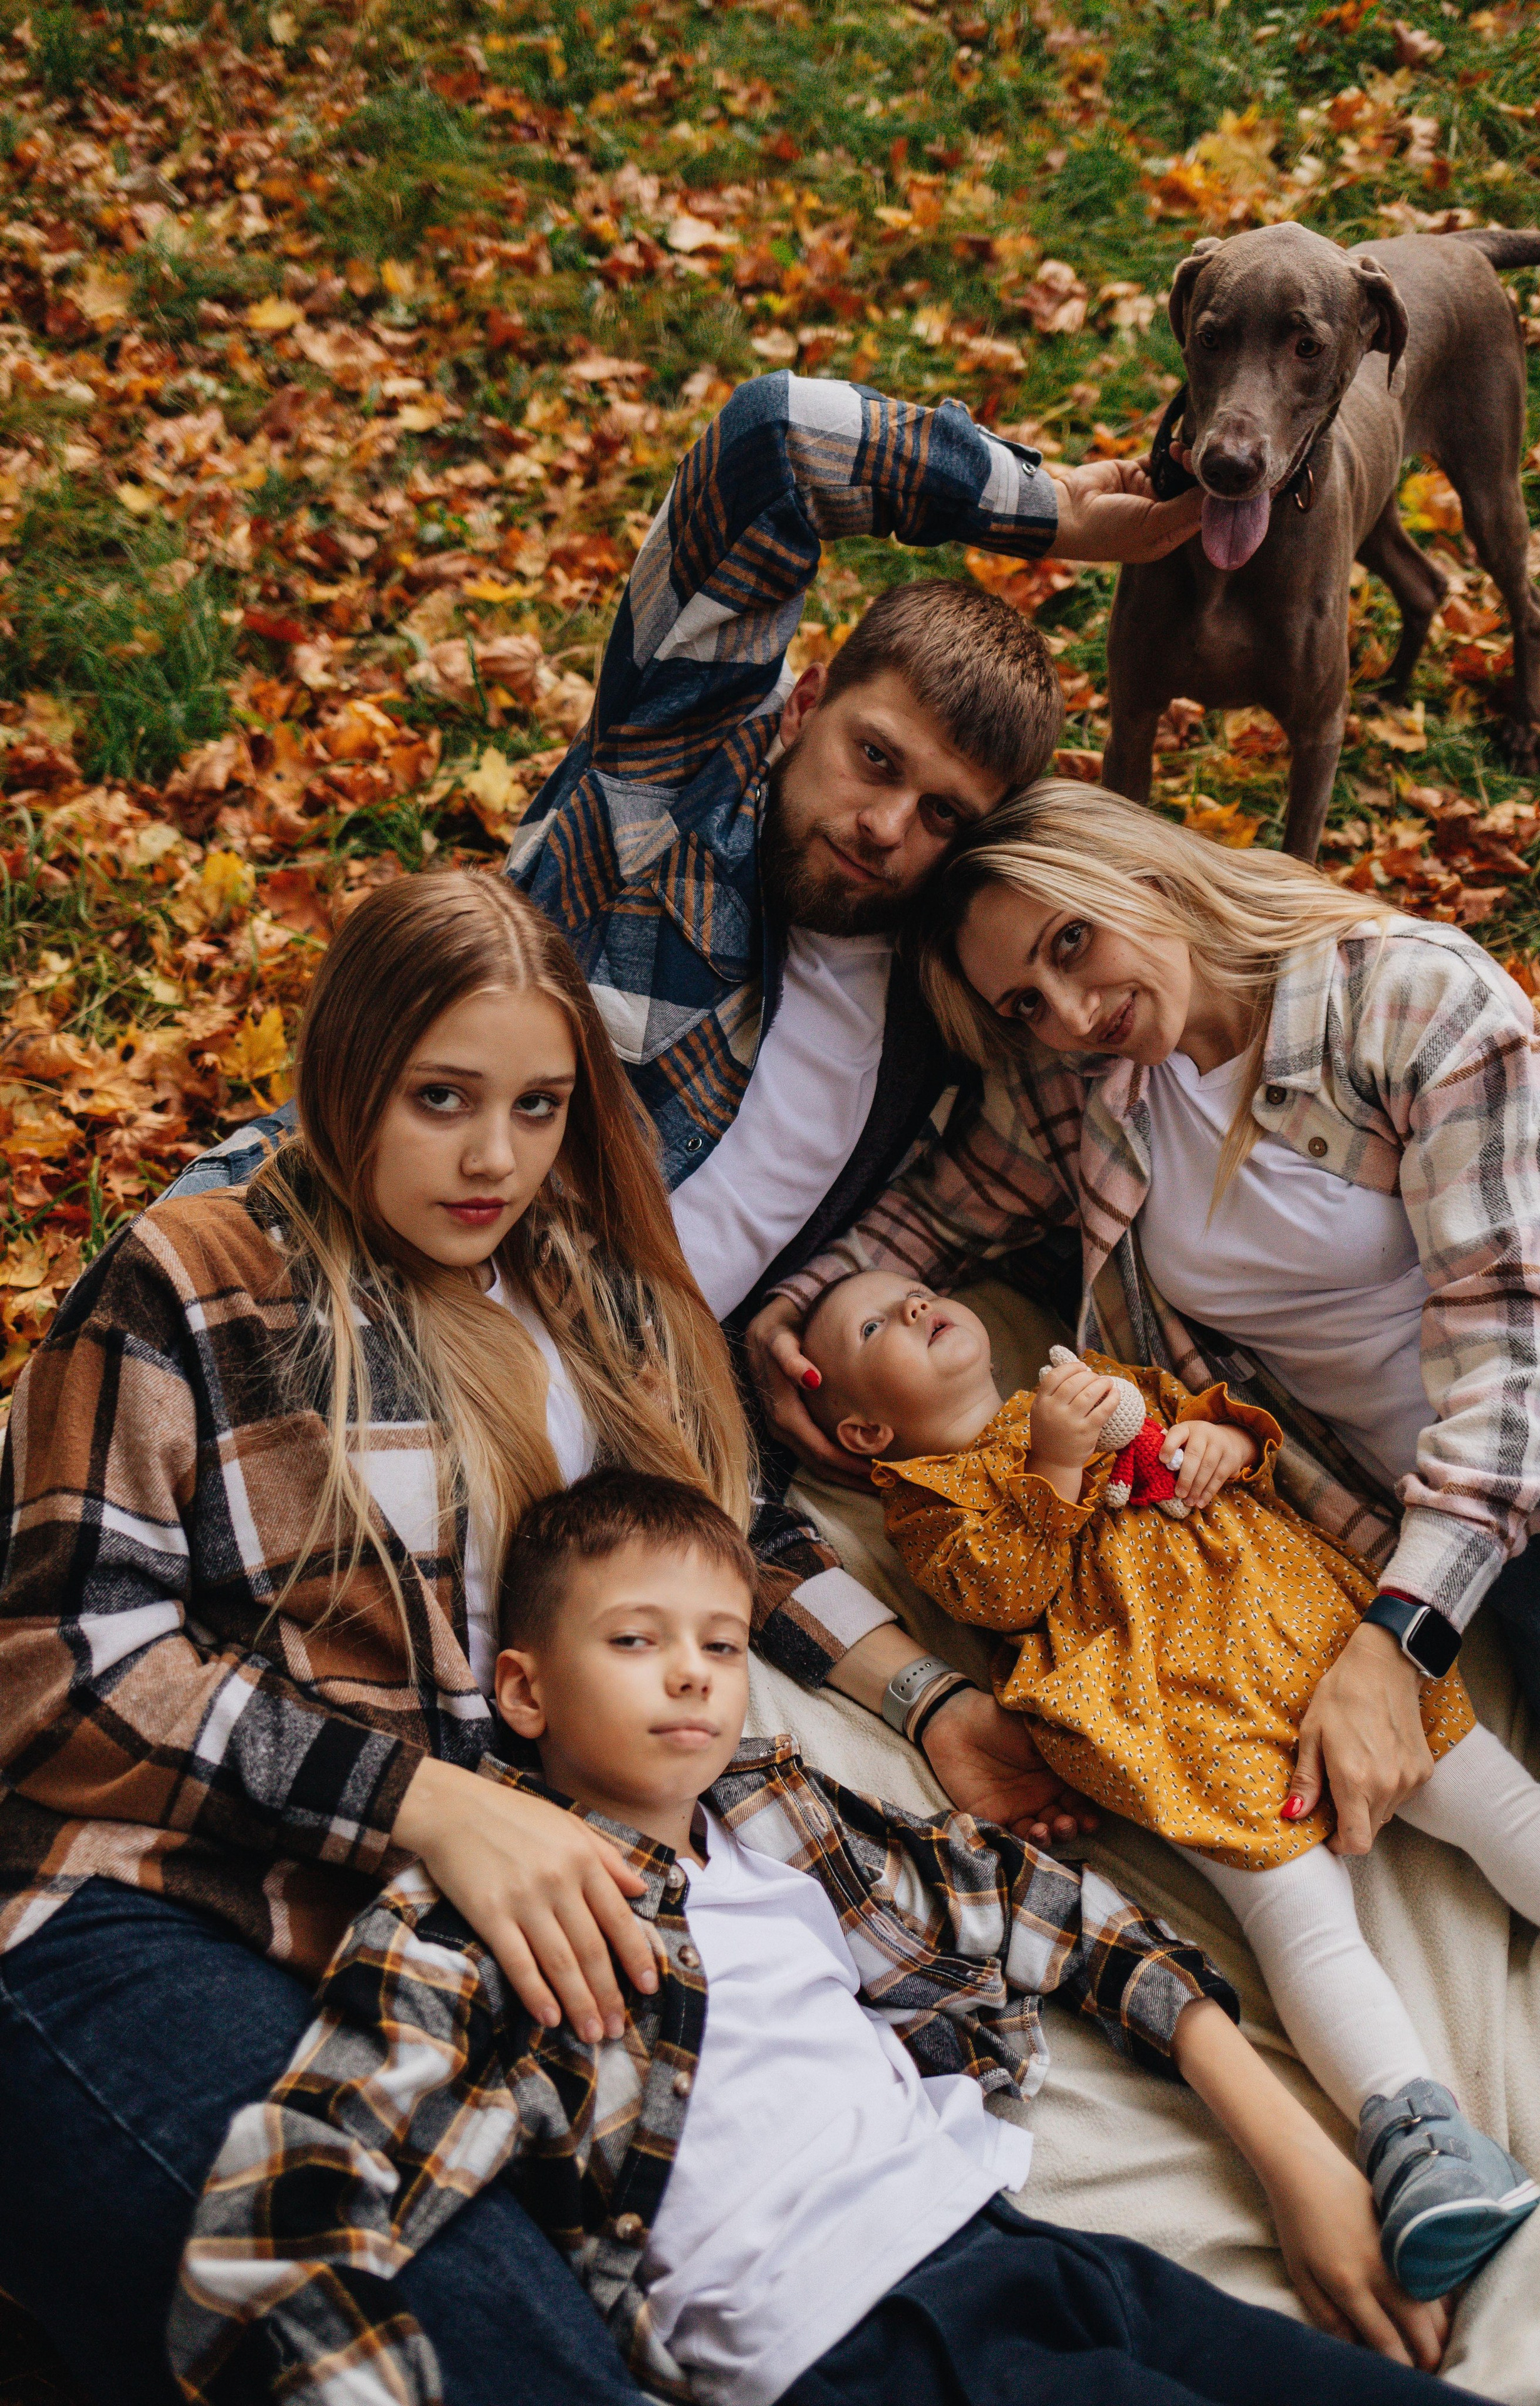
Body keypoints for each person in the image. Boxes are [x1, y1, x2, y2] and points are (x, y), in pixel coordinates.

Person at [162, 372, 1204, 1837]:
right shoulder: (672, 795)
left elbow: (717, 1503)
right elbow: (769, 444)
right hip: (329, 1261)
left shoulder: (929, 1049)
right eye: (875, 760)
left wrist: (937, 1707)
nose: (882, 828)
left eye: (940, 818)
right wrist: (1049, 514)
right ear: (812, 697)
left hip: (546, 1441)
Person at [171, 1470, 1475, 2406]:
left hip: (1017, 2246)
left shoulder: (772, 1812)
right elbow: (286, 2209)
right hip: (844, 2343)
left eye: (722, 1644)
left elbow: (1040, 1910)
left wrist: (1294, 2161)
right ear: (521, 1688)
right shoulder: (458, 1919)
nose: (691, 1673)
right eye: (634, 1641)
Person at [0, 872, 763, 2405]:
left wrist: (924, 1695)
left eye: (540, 1108)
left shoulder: (589, 1299)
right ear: (350, 1071)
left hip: (430, 1964)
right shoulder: (196, 1280)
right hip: (153, 1906)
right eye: (441, 1099)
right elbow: (54, 1664)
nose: (495, 1159)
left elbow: (727, 1555)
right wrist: (422, 1799)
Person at [751, 779, 1540, 1851]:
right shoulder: (1089, 1086)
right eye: (1024, 1003)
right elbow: (941, 1213)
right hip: (1473, 1539)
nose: (1065, 1015)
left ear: (1140, 871)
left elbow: (1531, 1351)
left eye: (1072, 942)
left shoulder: (1407, 997)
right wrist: (792, 1310)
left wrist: (1400, 1637)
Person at [799, 1267, 1540, 2297]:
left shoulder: (1096, 1373)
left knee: (1500, 1807)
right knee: (1301, 1918)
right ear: (868, 1434)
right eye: (877, 1323)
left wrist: (1222, 1446)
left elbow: (1237, 1437)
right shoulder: (925, 1498)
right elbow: (998, 1593)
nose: (914, 1307)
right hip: (1166, 1718)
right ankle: (1417, 2131)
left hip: (1304, 1634)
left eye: (914, 1292)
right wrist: (1050, 1461)